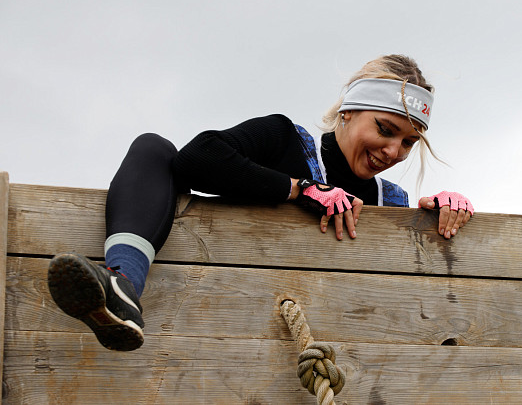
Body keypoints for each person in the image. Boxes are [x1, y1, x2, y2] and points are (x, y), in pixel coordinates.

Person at [47, 54, 475, 351]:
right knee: (153, 147)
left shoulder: (390, 201)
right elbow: (196, 159)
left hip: (337, 344)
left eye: (408, 142)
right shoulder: (284, 138)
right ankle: (123, 285)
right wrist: (299, 188)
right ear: (348, 110)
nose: (394, 151)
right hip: (215, 317)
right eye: (384, 129)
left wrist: (442, 215)